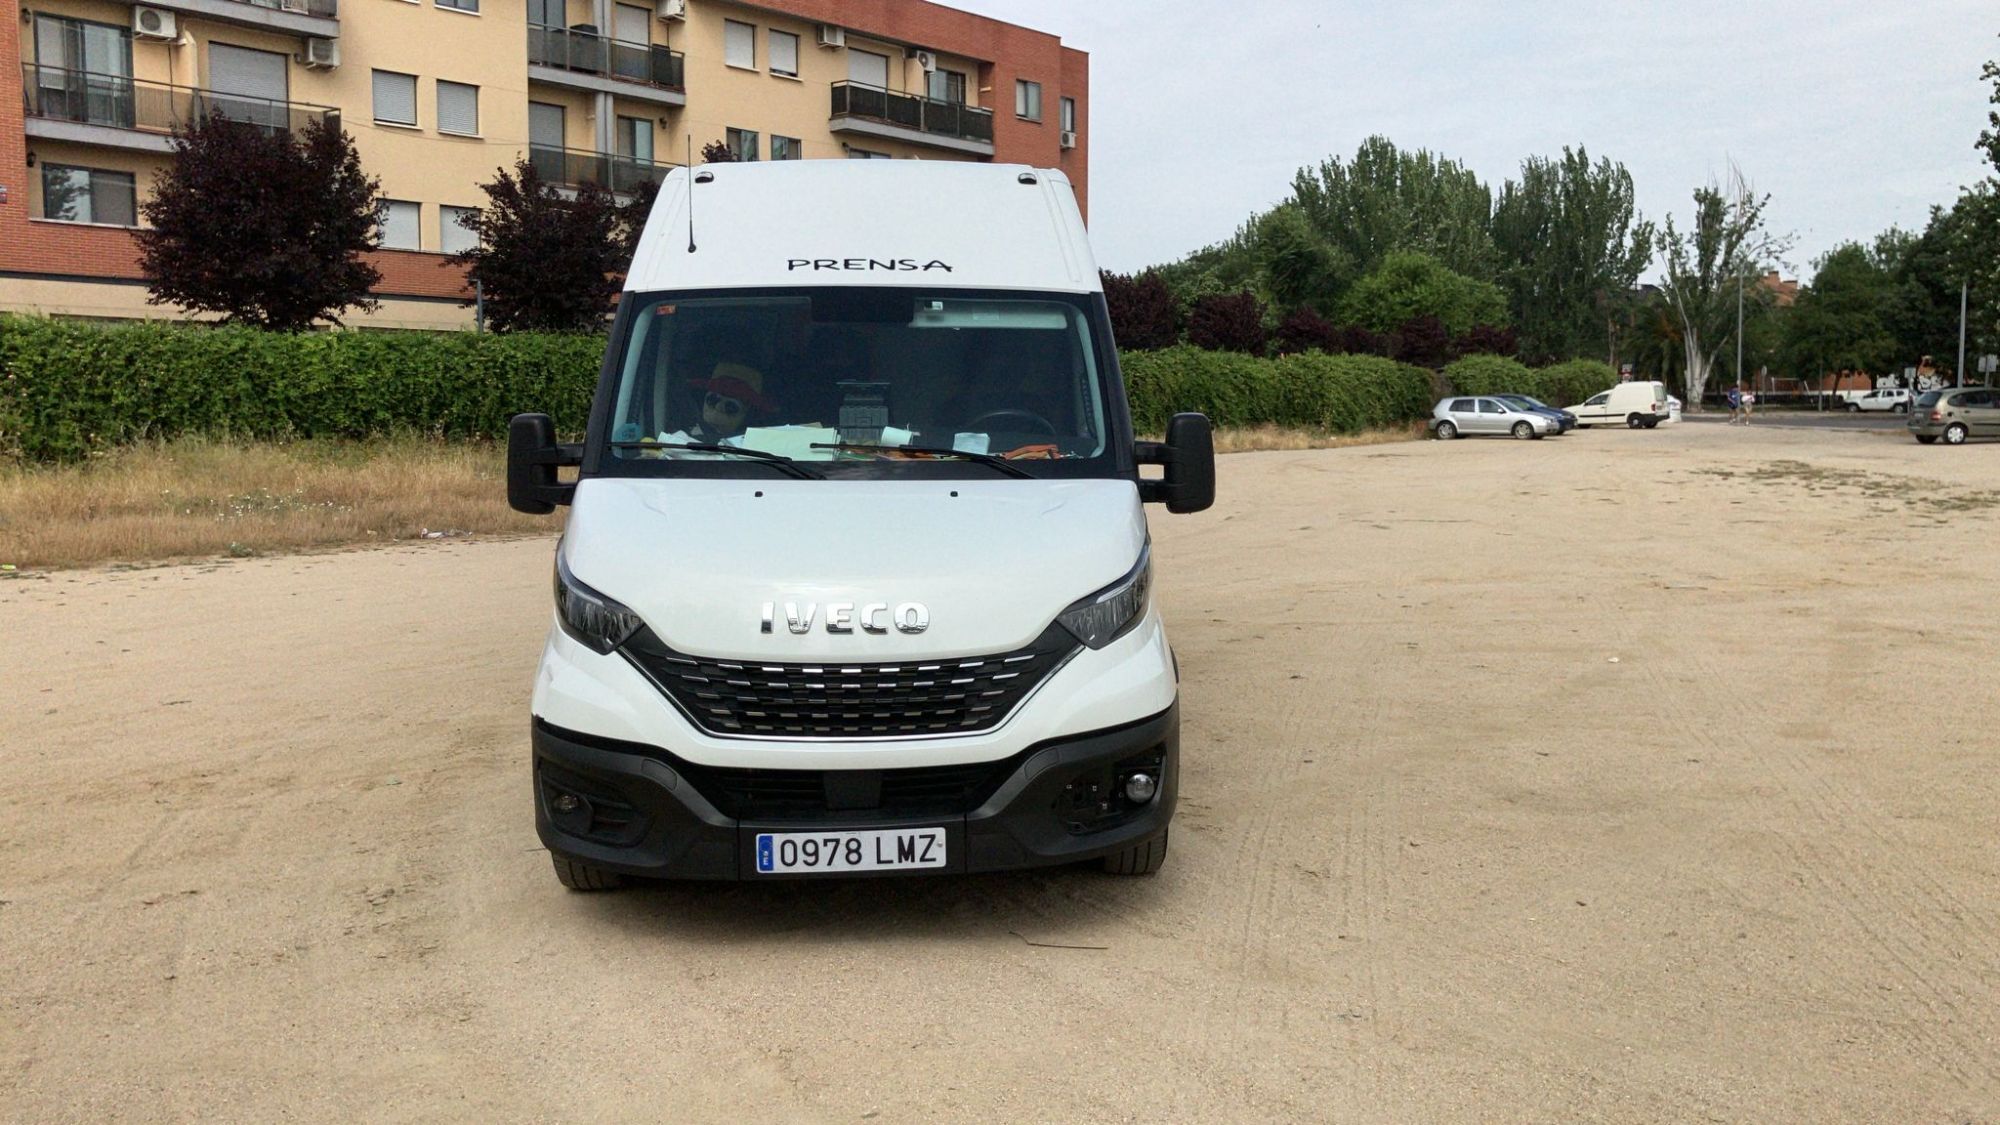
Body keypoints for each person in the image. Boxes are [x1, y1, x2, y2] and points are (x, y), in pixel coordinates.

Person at [687, 361, 775, 442]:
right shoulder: (681, 438)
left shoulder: (758, 444)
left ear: (748, 414)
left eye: (731, 407)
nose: (718, 408)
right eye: (712, 400)